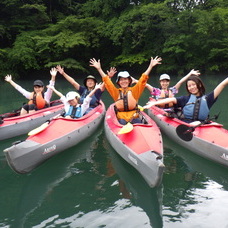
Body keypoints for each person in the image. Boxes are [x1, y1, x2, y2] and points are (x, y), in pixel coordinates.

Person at [89, 56, 162, 125]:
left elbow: (143, 80)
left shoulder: (135, 91)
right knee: (122, 122)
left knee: (138, 122)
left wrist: (150, 66)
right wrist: (99, 69)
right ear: (118, 82)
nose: (123, 81)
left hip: (134, 117)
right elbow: (107, 82)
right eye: (121, 80)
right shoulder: (116, 92)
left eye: (125, 79)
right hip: (122, 119)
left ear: (129, 81)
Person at [143, 76, 228, 123]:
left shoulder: (209, 98)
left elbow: (222, 85)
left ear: (200, 85)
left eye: (193, 85)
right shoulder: (185, 99)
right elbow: (171, 100)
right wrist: (153, 104)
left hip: (202, 124)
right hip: (186, 124)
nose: (192, 87)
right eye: (189, 86)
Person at [132, 69, 200, 109]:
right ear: (160, 82)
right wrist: (135, 81)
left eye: (166, 81)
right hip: (160, 110)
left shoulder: (172, 90)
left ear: (169, 82)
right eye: (163, 81)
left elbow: (181, 81)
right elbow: (146, 85)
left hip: (172, 110)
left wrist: (190, 73)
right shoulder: (157, 91)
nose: (165, 83)